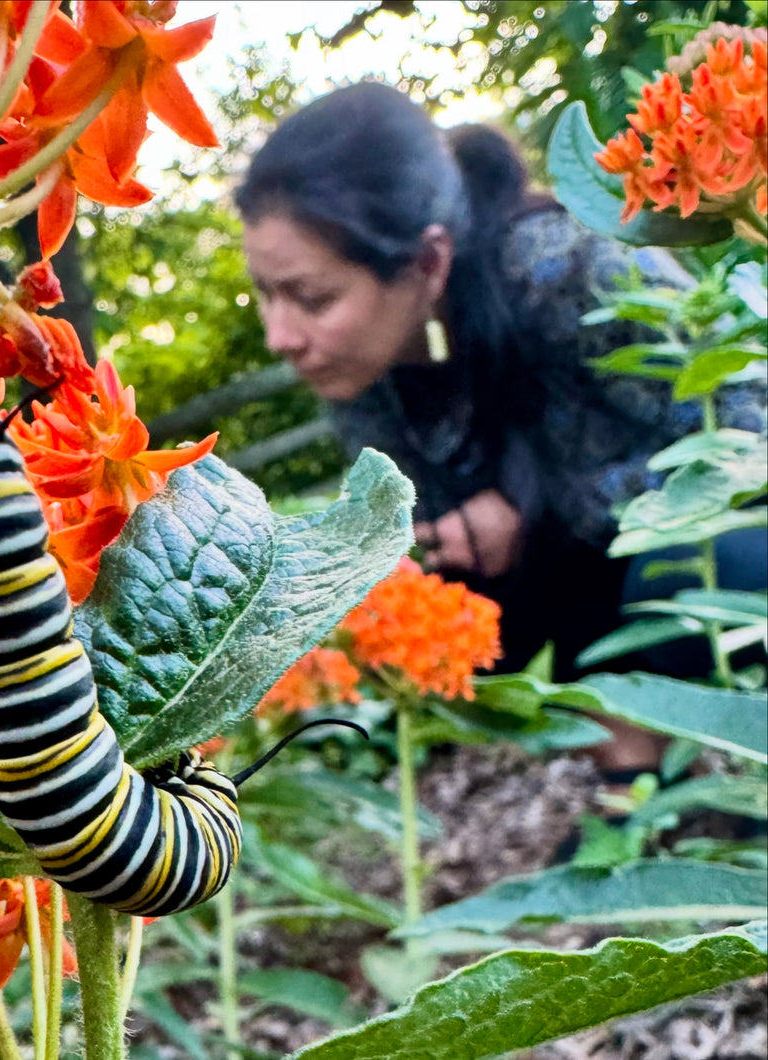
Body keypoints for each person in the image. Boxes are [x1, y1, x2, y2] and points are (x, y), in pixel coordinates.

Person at [236, 82, 766, 695]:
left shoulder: (565, 266)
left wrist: (542, 510)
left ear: (429, 262)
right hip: (562, 594)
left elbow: (753, 426)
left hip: (697, 558)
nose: (280, 336)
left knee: (688, 573)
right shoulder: (352, 365)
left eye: (312, 298)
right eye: (266, 295)